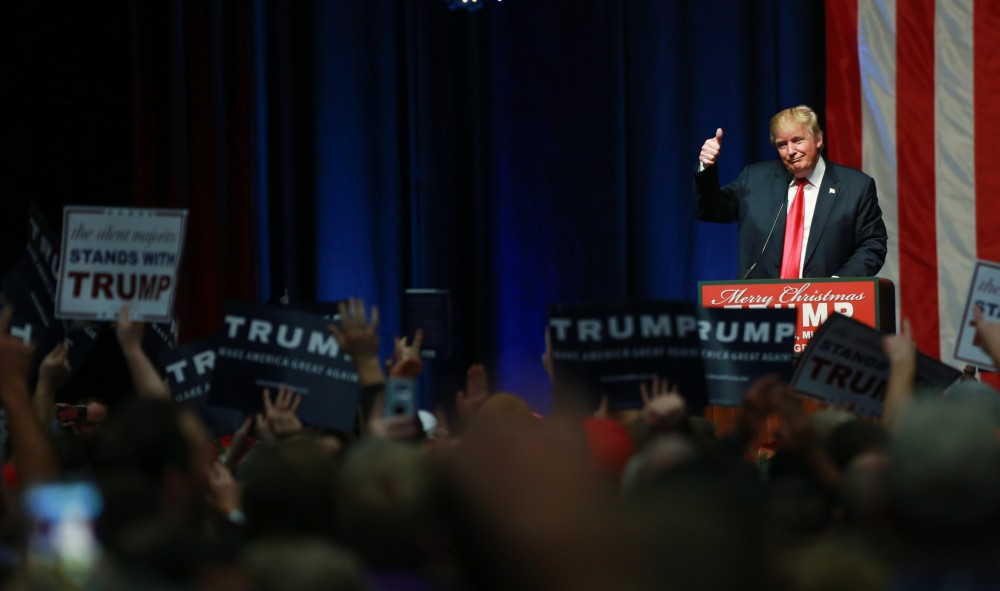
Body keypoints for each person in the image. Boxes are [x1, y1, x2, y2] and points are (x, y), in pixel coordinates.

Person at [695, 105, 888, 279]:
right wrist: (707, 167)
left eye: (798, 140)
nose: (791, 151)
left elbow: (873, 245)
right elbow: (710, 209)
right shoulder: (754, 179)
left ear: (819, 139)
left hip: (826, 307)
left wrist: (837, 284)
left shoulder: (855, 186)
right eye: (782, 144)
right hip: (762, 309)